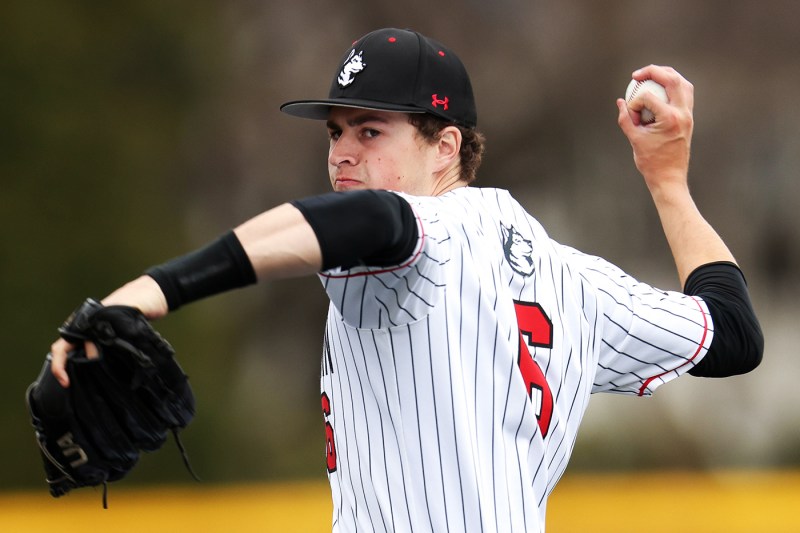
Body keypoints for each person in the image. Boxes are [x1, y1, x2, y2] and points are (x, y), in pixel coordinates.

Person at [50, 28, 763, 532]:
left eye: (370, 131)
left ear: (445, 145)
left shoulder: (424, 233)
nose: (342, 153)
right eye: (335, 132)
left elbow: (366, 221)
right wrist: (668, 182)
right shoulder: (575, 280)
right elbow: (731, 331)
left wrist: (147, 293)